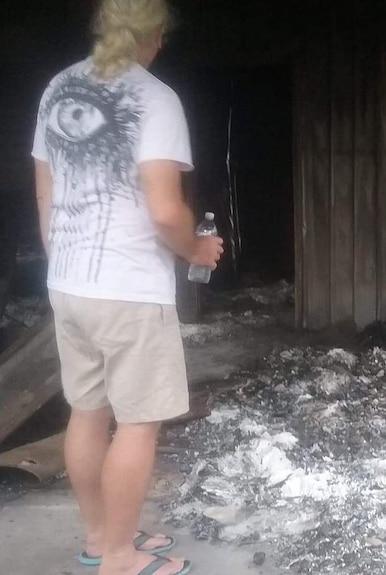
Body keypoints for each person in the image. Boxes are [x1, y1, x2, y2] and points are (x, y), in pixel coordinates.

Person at [31, 1, 222, 574]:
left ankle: (101, 538)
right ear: (156, 35)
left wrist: (61, 260)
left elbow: (45, 193)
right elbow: (166, 211)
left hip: (68, 282)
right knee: (138, 421)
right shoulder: (155, 99)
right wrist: (196, 250)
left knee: (87, 412)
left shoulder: (58, 88)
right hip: (129, 289)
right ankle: (120, 558)